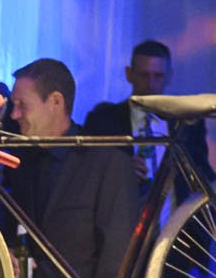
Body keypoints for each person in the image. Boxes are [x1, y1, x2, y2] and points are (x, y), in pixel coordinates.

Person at [0, 58, 141, 278]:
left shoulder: (107, 162)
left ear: (56, 101)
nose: (14, 115)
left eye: (22, 105)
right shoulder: (21, 160)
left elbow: (119, 256)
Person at [83, 38, 209, 183]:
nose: (150, 84)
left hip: (176, 198)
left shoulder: (187, 124)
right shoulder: (103, 120)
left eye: (158, 76)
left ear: (169, 77)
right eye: (143, 75)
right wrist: (118, 169)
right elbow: (85, 169)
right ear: (129, 74)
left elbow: (202, 172)